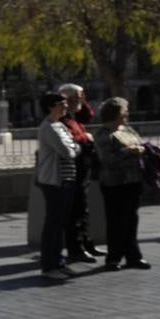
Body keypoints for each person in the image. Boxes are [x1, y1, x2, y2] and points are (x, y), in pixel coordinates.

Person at [97, 97, 151, 271]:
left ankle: (133, 256)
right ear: (115, 113)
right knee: (116, 221)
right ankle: (113, 258)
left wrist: (141, 149)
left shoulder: (128, 129)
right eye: (124, 110)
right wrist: (128, 151)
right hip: (114, 183)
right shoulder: (103, 134)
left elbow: (140, 143)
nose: (127, 113)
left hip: (133, 180)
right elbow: (107, 159)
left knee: (131, 219)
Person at [35, 91, 79, 281]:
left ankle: (59, 262)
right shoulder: (48, 128)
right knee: (53, 224)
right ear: (50, 107)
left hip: (67, 179)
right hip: (54, 181)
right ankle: (49, 266)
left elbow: (74, 146)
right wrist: (74, 147)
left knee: (60, 223)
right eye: (62, 103)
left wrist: (74, 147)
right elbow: (68, 151)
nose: (66, 106)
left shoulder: (60, 125)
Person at [58, 83, 103, 262]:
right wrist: (87, 138)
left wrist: (83, 100)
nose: (79, 101)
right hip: (72, 171)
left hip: (83, 169)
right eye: (76, 97)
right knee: (75, 211)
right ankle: (75, 248)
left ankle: (86, 242)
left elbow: (87, 115)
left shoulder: (75, 117)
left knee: (83, 209)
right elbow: (71, 139)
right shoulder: (63, 119)